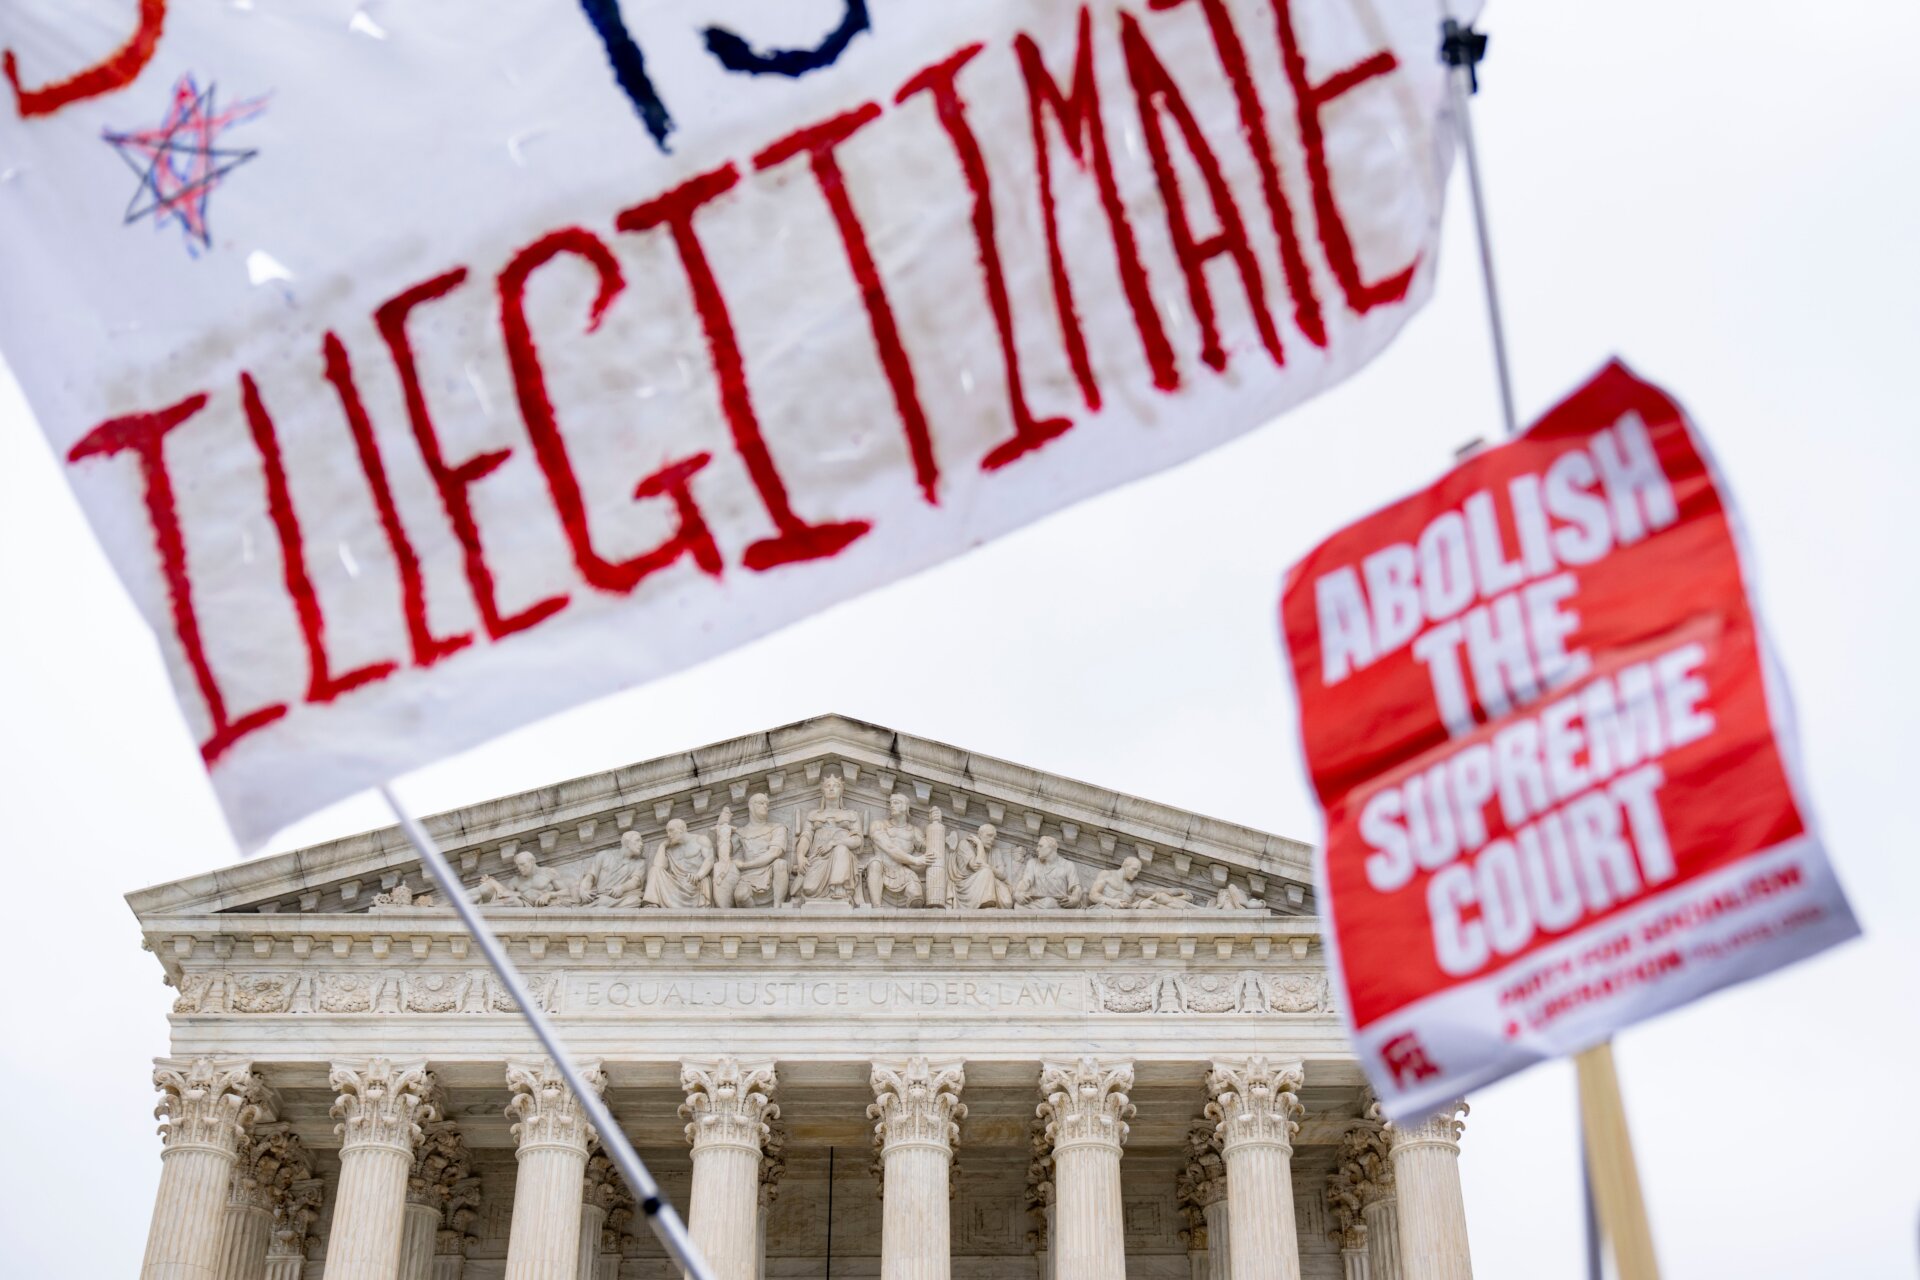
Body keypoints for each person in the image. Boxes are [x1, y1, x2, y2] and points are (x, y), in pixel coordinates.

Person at [794, 774, 863, 904]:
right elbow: (806, 837)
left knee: (841, 849)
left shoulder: (851, 815)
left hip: (842, 857)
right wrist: (800, 855)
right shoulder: (814, 815)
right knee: (809, 888)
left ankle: (839, 887)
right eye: (827, 786)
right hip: (818, 855)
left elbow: (858, 840)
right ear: (823, 790)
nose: (831, 788)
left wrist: (833, 843)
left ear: (841, 790)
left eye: (835, 786)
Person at [716, 794, 791, 909]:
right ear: (751, 806)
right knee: (740, 895)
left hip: (770, 873)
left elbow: (774, 853)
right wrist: (722, 827)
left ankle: (777, 910)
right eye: (761, 803)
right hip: (747, 877)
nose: (765, 806)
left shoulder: (777, 828)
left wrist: (745, 865)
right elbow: (724, 856)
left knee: (780, 863)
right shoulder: (741, 832)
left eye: (767, 804)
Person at [865, 793, 928, 908]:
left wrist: (936, 823)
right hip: (882, 869)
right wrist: (915, 860)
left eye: (896, 803)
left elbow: (929, 849)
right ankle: (877, 907)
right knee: (875, 863)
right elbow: (889, 848)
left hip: (903, 872)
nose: (892, 806)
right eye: (891, 803)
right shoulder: (879, 825)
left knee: (916, 898)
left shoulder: (914, 831)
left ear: (905, 807)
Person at [643, 818, 715, 909]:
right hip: (675, 885)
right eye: (667, 832)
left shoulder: (700, 840)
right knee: (654, 870)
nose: (668, 835)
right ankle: (652, 905)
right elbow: (658, 866)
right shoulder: (670, 849)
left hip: (694, 883)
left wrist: (699, 875)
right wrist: (662, 846)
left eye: (671, 831)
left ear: (682, 829)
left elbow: (709, 859)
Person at [472, 849, 574, 907]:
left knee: (512, 901)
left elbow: (568, 891)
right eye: (518, 866)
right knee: (485, 888)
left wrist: (549, 894)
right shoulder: (515, 881)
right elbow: (504, 895)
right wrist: (492, 882)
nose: (520, 868)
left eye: (523, 864)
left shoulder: (548, 873)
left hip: (537, 906)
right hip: (523, 903)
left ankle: (477, 909)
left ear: (532, 861)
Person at [1087, 856, 1198, 909]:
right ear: (1125, 865)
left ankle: (1194, 911)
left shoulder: (1133, 886)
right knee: (1150, 904)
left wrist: (1178, 890)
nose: (1136, 874)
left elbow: (1155, 890)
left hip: (1130, 908)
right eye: (1134, 869)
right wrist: (1112, 901)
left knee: (1160, 896)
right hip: (1110, 908)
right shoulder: (1107, 874)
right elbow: (1093, 895)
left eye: (1138, 871)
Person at [576, 830, 651, 908]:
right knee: (601, 900)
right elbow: (590, 877)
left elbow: (636, 881)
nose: (641, 844)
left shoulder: (640, 863)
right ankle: (601, 903)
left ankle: (603, 904)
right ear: (627, 842)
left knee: (636, 901)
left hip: (620, 899)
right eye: (637, 840)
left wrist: (621, 888)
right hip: (601, 895)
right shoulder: (604, 855)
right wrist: (584, 891)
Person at [949, 823, 1012, 909]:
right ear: (979, 835)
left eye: (994, 837)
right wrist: (979, 844)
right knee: (987, 872)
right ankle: (987, 903)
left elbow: (1003, 875)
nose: (992, 839)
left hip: (989, 883)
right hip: (967, 887)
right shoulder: (964, 844)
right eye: (989, 835)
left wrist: (988, 867)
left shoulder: (996, 851)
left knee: (1007, 901)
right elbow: (978, 865)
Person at [1014, 836, 1085, 909]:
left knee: (1051, 903)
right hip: (1037, 904)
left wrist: (1075, 899)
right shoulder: (1032, 863)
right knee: (1017, 906)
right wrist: (1018, 893)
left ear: (1051, 848)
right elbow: (1025, 882)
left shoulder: (1068, 865)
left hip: (1060, 904)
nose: (1037, 849)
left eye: (1040, 846)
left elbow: (1076, 887)